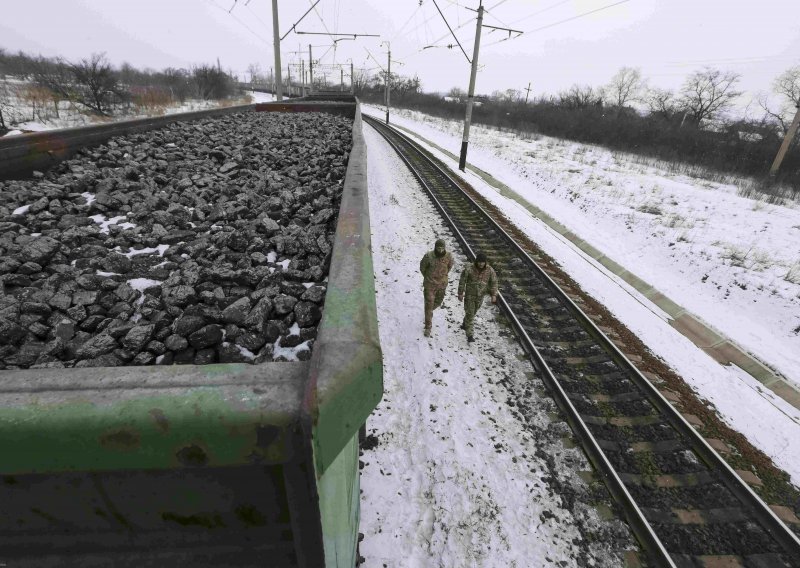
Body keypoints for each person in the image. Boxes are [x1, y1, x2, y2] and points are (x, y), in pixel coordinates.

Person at [457, 252, 498, 343]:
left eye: (482, 262)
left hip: (480, 296)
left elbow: (494, 283)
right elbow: (462, 281)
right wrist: (460, 293)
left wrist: (494, 295)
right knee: (470, 314)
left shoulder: (490, 270)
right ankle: (470, 335)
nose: (481, 264)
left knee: (472, 313)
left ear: (485, 262)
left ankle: (465, 323)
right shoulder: (469, 269)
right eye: (479, 262)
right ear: (476, 261)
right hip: (469, 296)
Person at [419, 238, 454, 337]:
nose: (440, 250)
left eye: (442, 248)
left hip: (442, 285)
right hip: (430, 284)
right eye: (438, 248)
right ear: (435, 247)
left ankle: (428, 311)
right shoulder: (429, 256)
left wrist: (443, 277)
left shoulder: (449, 256)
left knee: (438, 302)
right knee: (429, 304)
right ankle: (428, 327)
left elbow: (449, 267)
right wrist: (428, 277)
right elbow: (422, 267)